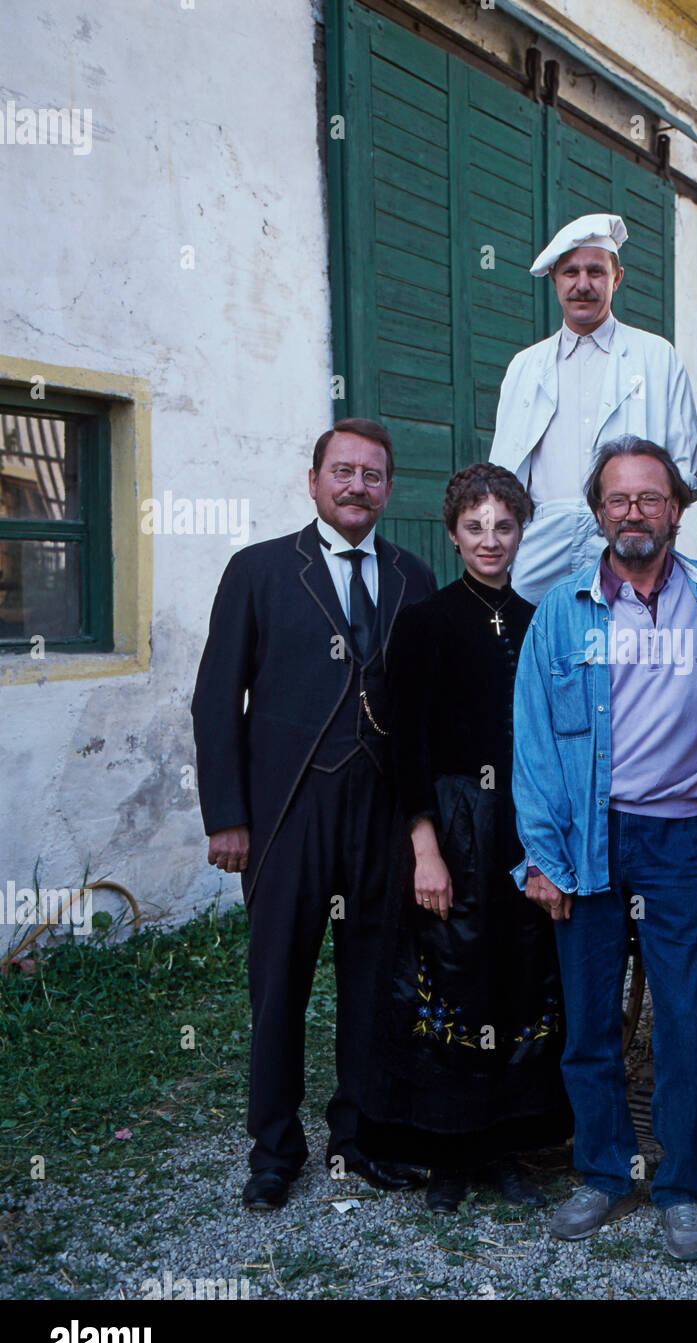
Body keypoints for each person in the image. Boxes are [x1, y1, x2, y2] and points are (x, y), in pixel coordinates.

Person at [191, 417, 437, 1211]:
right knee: (279, 985)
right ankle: (274, 1150)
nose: (357, 486)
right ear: (314, 481)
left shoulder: (412, 575)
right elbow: (214, 697)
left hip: (381, 810)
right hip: (287, 811)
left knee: (374, 984)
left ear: (388, 491)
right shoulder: (259, 570)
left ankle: (358, 1137)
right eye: (343, 472)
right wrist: (227, 816)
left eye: (372, 475)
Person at [511, 436, 697, 1260]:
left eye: (650, 497)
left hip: (678, 838)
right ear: (598, 512)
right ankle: (605, 1172)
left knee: (679, 1017)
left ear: (676, 508)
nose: (633, 512)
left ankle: (681, 1187)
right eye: (617, 499)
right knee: (590, 1020)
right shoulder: (562, 612)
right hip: (590, 837)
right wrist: (541, 856)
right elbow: (533, 743)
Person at [355, 464, 573, 1213]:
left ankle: (506, 1146)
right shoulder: (424, 621)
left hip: (519, 822)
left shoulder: (536, 619)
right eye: (475, 527)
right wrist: (425, 847)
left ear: (521, 532)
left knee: (517, 978)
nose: (490, 541)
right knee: (448, 978)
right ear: (453, 534)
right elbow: (405, 744)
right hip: (449, 824)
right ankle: (448, 1153)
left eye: (504, 527)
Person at [489, 213, 697, 603]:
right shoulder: (525, 366)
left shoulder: (656, 356)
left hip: (630, 534)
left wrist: (653, 532)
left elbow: (685, 467)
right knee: (535, 640)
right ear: (554, 279)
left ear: (616, 277)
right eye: (570, 272)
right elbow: (503, 471)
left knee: (626, 646)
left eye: (595, 272)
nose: (582, 285)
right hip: (542, 539)